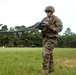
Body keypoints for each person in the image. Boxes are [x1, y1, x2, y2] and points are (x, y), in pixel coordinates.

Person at [40, 6, 63, 75]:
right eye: (47, 12)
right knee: (49, 53)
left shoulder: (56, 19)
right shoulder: (44, 19)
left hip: (52, 38)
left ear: (52, 12)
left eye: (49, 12)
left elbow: (60, 28)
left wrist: (52, 29)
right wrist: (39, 27)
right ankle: (51, 70)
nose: (48, 13)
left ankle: (45, 71)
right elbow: (41, 27)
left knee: (46, 52)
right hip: (45, 39)